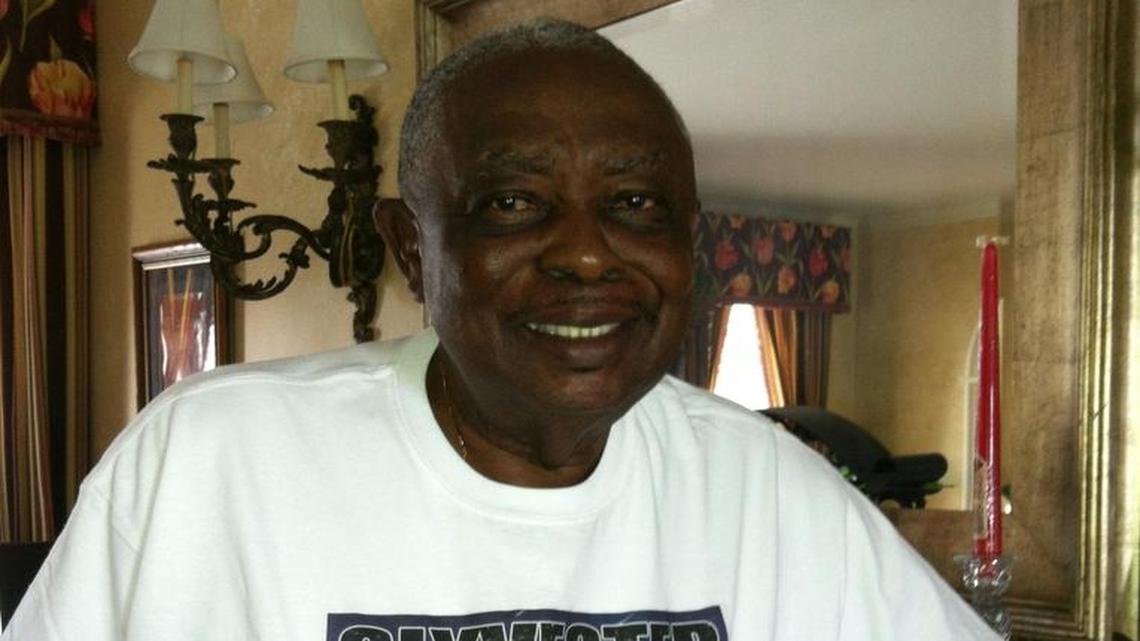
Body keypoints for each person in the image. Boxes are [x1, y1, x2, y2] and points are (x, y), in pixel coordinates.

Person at [3, 20, 1000, 641]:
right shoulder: (208, 463)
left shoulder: (772, 495)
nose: (588, 256)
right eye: (515, 204)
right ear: (409, 247)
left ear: (690, 245)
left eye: (639, 205)